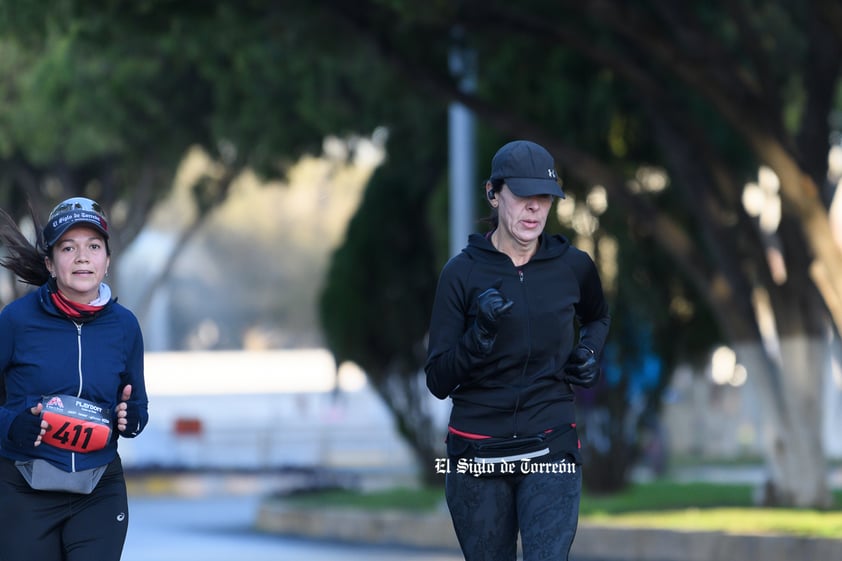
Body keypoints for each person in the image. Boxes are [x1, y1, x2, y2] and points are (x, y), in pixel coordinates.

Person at [425, 140, 610, 561]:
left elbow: (598, 317)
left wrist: (590, 353)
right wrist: (479, 337)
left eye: (543, 198)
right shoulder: (462, 274)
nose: (533, 209)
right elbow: (437, 379)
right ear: (493, 193)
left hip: (551, 444)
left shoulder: (572, 267)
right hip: (478, 452)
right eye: (522, 196)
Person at [0, 197, 148, 561]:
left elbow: (138, 404)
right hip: (24, 486)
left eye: (93, 246)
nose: (83, 257)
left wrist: (132, 419)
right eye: (69, 247)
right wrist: (10, 425)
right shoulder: (16, 321)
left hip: (99, 486)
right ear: (50, 263)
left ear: (107, 261)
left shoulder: (125, 326)